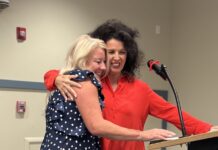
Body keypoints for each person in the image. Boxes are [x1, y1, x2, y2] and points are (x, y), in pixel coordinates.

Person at [44, 20, 218, 150]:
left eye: (122, 52)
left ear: (129, 56)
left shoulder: (140, 89)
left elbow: (172, 113)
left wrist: (207, 128)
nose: (117, 57)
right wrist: (55, 79)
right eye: (111, 52)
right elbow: (54, 74)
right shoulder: (90, 82)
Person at [41, 35, 176, 150]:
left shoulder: (67, 78)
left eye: (104, 62)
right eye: (98, 61)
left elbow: (171, 112)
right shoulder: (84, 80)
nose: (104, 67)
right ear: (82, 59)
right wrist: (143, 135)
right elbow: (97, 126)